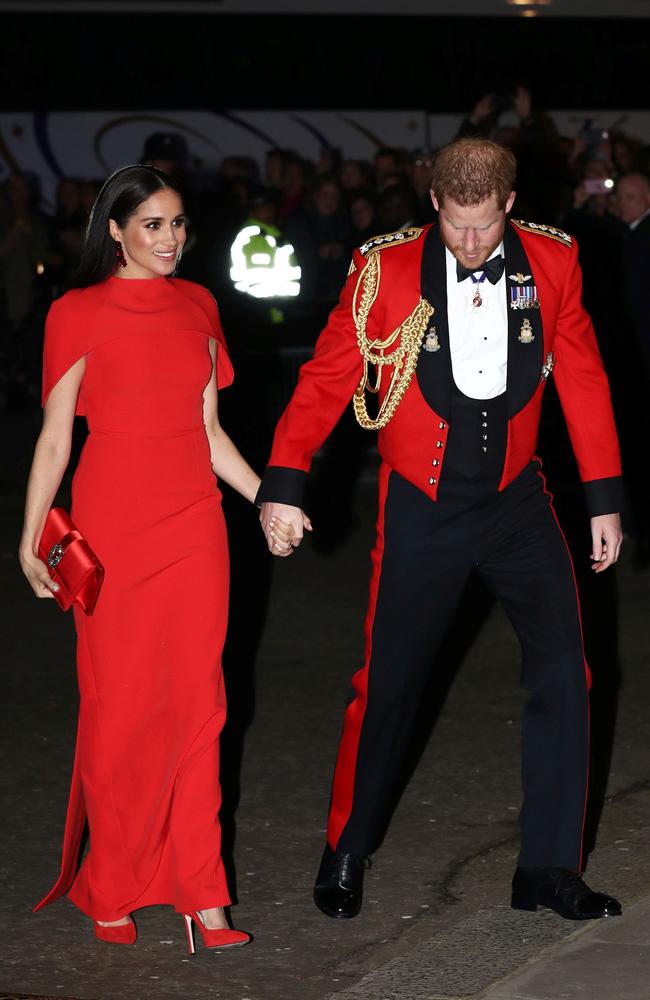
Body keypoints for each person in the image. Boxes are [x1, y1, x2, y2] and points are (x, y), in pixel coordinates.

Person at [256, 139, 624, 924]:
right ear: (434, 206)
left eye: (485, 228)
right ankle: (347, 847)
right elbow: (328, 375)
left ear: (510, 207)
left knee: (568, 672)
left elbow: (583, 373)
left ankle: (550, 868)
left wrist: (604, 496)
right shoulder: (384, 270)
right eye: (456, 226)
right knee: (388, 685)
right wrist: (284, 482)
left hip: (519, 504)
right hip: (423, 505)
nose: (469, 244)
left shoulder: (553, 263)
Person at [19, 165, 292, 951]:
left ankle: (202, 893)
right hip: (113, 529)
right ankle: (114, 881)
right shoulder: (76, 313)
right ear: (115, 230)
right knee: (121, 707)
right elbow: (55, 438)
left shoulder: (200, 306)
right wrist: (30, 536)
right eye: (152, 226)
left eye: (177, 225)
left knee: (202, 705)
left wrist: (269, 500)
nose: (170, 239)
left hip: (194, 529)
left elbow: (209, 435)